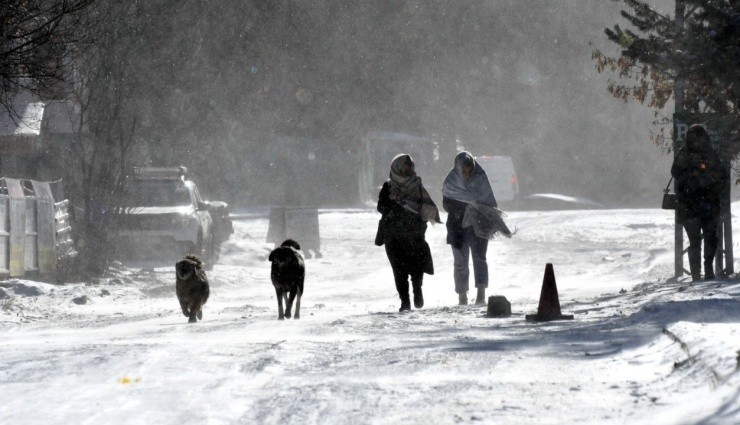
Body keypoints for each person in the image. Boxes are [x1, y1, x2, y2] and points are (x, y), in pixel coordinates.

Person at [442, 151, 511, 306]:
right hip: (457, 227)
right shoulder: (451, 182)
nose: (466, 173)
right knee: (460, 262)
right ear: (458, 168)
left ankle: (481, 295)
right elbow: (446, 204)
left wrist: (493, 219)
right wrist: (462, 205)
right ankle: (462, 296)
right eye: (464, 170)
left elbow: (489, 204)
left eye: (469, 170)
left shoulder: (480, 179)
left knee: (480, 259)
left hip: (478, 226)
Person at [376, 154, 441, 312]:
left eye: (410, 166)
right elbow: (381, 207)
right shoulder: (389, 186)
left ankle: (417, 290)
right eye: (405, 166)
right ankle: (405, 301)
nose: (408, 169)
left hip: (414, 235)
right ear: (397, 167)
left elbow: (425, 207)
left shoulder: (417, 186)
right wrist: (391, 199)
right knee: (399, 271)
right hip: (393, 237)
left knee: (416, 268)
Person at [671, 124, 728, 281]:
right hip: (691, 204)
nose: (695, 141)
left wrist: (710, 183)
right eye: (692, 138)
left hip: (707, 203)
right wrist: (692, 173)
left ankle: (708, 270)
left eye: (697, 137)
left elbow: (722, 176)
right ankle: (696, 274)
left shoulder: (710, 154)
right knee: (695, 240)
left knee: (710, 238)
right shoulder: (685, 153)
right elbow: (675, 172)